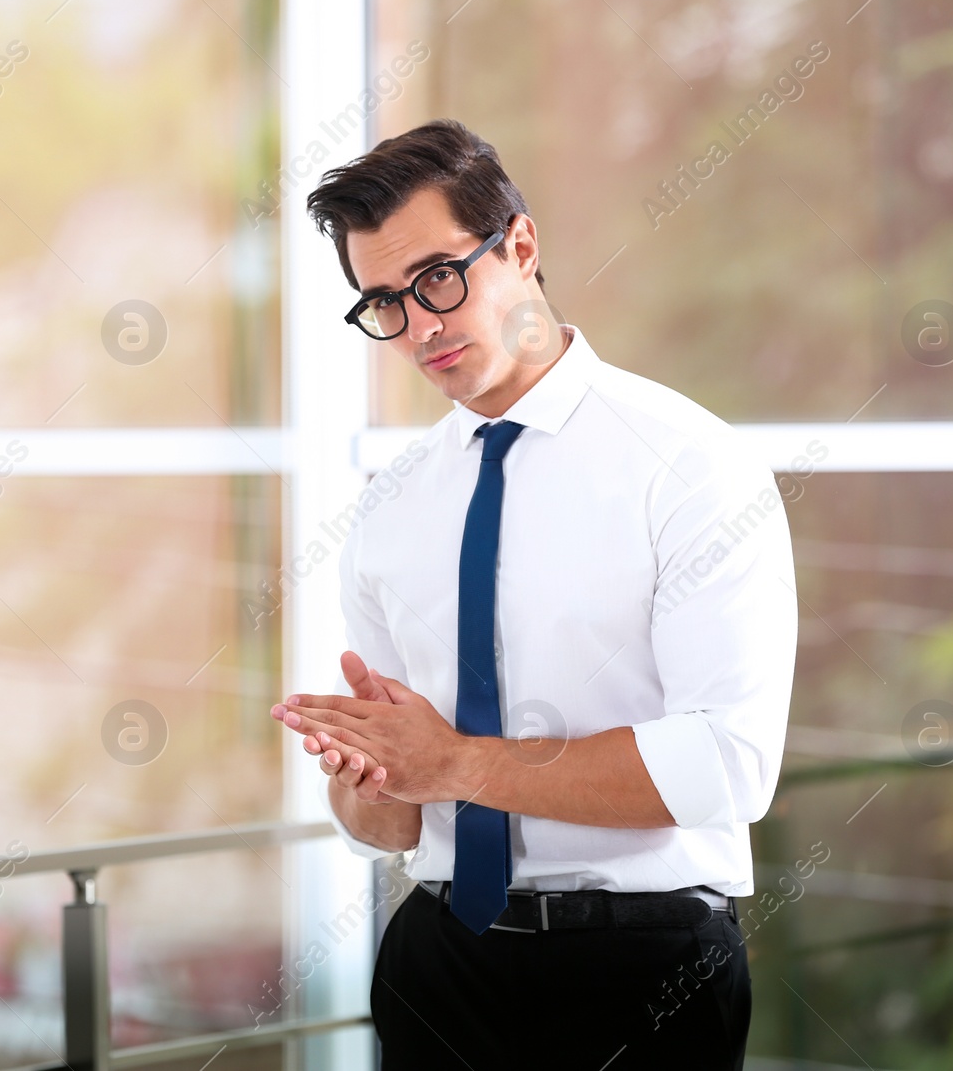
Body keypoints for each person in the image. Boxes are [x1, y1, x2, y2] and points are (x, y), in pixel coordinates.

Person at [269, 119, 798, 1069]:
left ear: (520, 245)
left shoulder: (687, 466)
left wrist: (459, 764)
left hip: (645, 970)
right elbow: (390, 825)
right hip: (437, 962)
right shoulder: (391, 506)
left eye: (437, 277)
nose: (419, 325)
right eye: (383, 302)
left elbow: (728, 766)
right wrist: (369, 783)